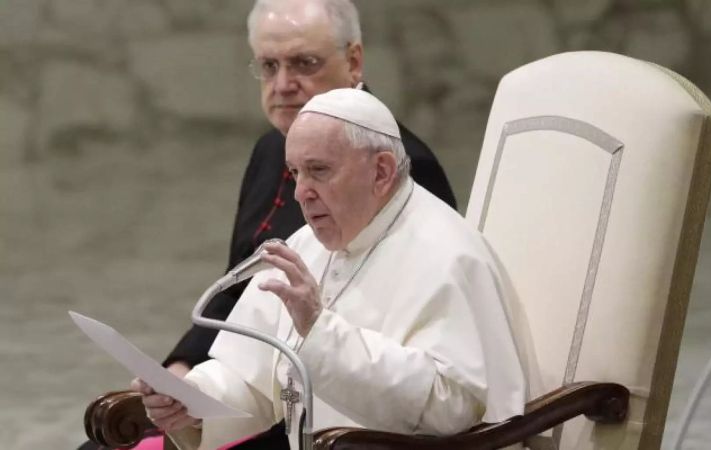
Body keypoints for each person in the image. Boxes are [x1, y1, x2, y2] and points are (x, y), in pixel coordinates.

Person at [78, 1, 455, 449]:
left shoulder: (401, 171)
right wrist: (182, 375)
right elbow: (238, 290)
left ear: (354, 61)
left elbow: (392, 344)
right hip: (256, 382)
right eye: (268, 66)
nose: (283, 85)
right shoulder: (269, 150)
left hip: (327, 412)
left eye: (304, 63)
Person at [135, 88, 526, 450]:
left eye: (318, 170)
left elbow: (452, 407)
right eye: (295, 173)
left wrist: (320, 331)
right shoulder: (307, 245)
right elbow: (249, 379)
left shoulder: (450, 256)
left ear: (382, 171)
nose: (300, 192)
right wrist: (190, 400)